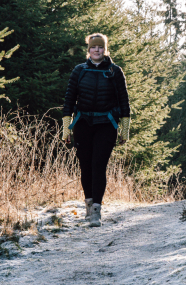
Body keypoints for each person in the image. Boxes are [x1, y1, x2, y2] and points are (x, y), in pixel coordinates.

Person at [62, 33, 130, 227]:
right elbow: (69, 100)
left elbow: (124, 101)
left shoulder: (115, 71)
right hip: (83, 124)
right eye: (93, 47)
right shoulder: (79, 71)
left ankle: (96, 213)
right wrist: (66, 129)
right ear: (89, 49)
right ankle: (88, 205)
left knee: (98, 165)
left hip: (106, 125)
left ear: (105, 49)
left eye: (100, 47)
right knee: (86, 166)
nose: (97, 50)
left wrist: (124, 130)